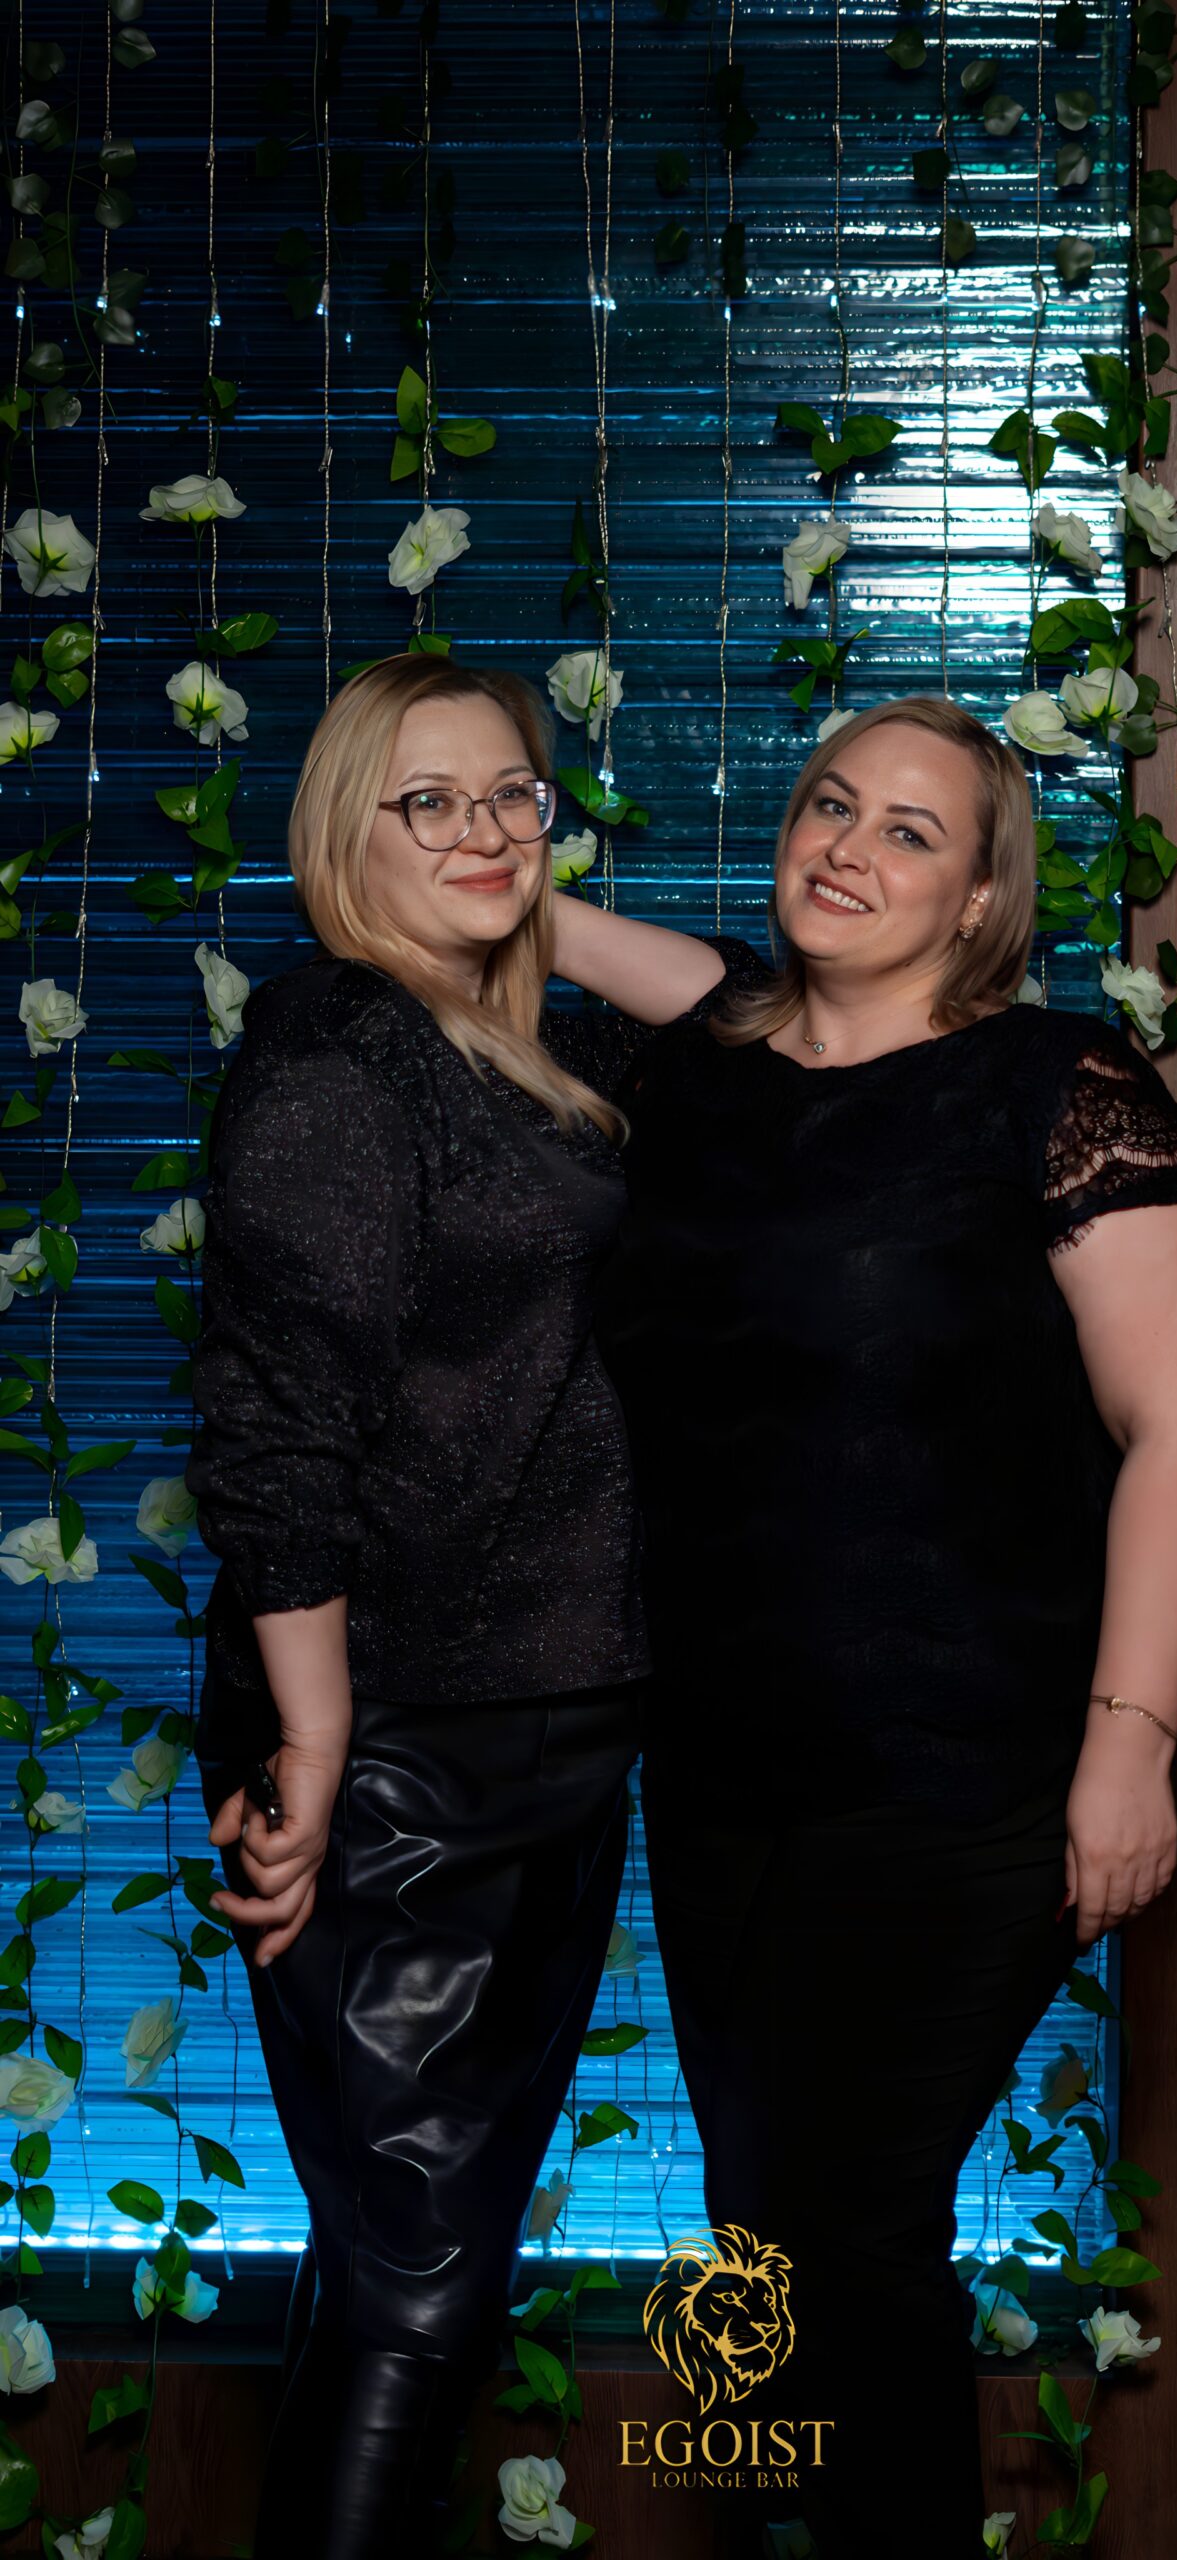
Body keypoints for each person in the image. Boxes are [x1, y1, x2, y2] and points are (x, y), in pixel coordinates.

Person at [549, 695, 1177, 2556]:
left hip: (965, 1776)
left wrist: (1131, 1753)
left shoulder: (1053, 1084)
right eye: (829, 804)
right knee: (768, 2232)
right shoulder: (711, 1054)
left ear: (982, 899)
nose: (848, 848)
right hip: (720, 1771)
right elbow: (538, 917)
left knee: (852, 2232)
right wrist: (447, 834)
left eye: (910, 832)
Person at [185, 655, 722, 2560]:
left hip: (552, 1726)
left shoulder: (519, 1052)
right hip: (406, 1744)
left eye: (515, 795)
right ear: (345, 832)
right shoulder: (342, 1065)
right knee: (422, 2286)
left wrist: (518, 904)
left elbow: (740, 1015)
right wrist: (320, 1741)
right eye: (430, 801)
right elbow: (274, 1435)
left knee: (408, 2263)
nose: (487, 829)